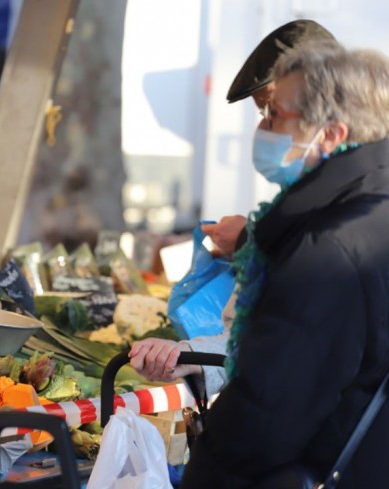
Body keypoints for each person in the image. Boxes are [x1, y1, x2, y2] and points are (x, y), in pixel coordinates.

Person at [181, 42, 389, 487]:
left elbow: (267, 412)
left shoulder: (330, 249)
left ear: (330, 134)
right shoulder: (372, 206)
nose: (263, 127)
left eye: (275, 114)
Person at [130, 20, 337, 396]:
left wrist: (250, 241)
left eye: (274, 113)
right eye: (263, 115)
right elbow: (250, 336)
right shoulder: (295, 202)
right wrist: (187, 355)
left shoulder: (353, 208)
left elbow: (300, 335)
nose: (264, 130)